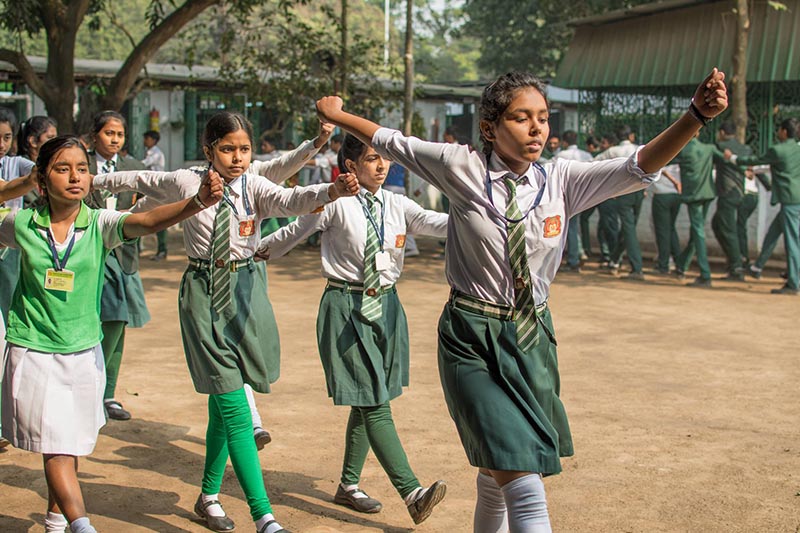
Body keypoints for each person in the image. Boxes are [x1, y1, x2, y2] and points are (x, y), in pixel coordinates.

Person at [316, 68, 728, 532]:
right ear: (490, 127)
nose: (537, 129)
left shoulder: (562, 181)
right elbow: (392, 141)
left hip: (532, 339)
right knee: (524, 484)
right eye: (521, 118)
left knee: (495, 475)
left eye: (544, 118)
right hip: (470, 339)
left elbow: (638, 166)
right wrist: (337, 114)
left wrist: (696, 116)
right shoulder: (460, 166)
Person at [93, 111, 359, 533]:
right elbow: (136, 179)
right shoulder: (186, 181)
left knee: (225, 399)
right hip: (203, 291)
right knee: (235, 406)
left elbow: (292, 200)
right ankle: (264, 516)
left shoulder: (254, 183)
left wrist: (331, 190)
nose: (237, 158)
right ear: (208, 150)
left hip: (247, 292)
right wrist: (85, 184)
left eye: (244, 149)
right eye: (227, 149)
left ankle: (208, 496)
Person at [0, 134, 223, 533]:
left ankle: (55, 521)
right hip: (33, 351)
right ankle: (82, 524)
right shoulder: (20, 225)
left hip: (83, 351)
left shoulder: (99, 223)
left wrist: (197, 203)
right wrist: (19, 185)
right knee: (56, 444)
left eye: (82, 169)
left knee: (71, 440)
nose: (75, 177)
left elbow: (147, 220)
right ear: (42, 179)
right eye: (62, 169)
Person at [257, 134, 448, 524]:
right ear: (351, 166)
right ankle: (411, 491)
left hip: (387, 307)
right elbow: (293, 232)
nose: (382, 166)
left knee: (372, 397)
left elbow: (436, 223)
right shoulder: (336, 204)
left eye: (386, 160)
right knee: (374, 401)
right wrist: (251, 250)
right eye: (374, 159)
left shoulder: (398, 204)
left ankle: (347, 484)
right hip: (346, 306)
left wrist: (477, 216)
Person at [84, 111, 150, 421]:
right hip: (93, 251)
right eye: (109, 133)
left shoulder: (134, 168)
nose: (114, 139)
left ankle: (107, 394)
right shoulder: (81, 165)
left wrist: (134, 211)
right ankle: (92, 392)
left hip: (124, 253)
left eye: (119, 134)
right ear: (95, 135)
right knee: (108, 318)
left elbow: (153, 201)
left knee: (119, 321)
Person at [727, 118, 800, 294]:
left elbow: (758, 160)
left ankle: (793, 283)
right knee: (773, 234)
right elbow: (770, 167)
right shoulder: (797, 148)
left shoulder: (778, 149)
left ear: (783, 131)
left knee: (792, 243)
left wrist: (734, 158)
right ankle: (757, 267)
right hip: (794, 198)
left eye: (779, 129)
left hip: (790, 200)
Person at [595, 125, 645, 280]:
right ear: (630, 136)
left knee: (628, 230)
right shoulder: (639, 149)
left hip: (623, 192)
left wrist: (608, 184)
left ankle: (618, 261)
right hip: (639, 192)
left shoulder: (612, 151)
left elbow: (594, 163)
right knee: (629, 228)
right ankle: (633, 266)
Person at [675, 133, 723, 287]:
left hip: (693, 195)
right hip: (707, 193)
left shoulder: (682, 149)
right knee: (697, 230)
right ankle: (682, 264)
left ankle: (705, 274)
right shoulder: (709, 148)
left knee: (698, 231)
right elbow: (726, 159)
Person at [710, 121, 753, 280]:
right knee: (717, 225)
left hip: (727, 194)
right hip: (740, 193)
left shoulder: (720, 146)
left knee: (728, 231)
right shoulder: (745, 148)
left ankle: (736, 266)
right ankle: (734, 259)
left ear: (721, 133)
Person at [555, 130, 592, 272]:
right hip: (585, 195)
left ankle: (573, 259)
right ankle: (579, 252)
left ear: (564, 142)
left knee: (570, 228)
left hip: (567, 195)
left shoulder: (561, 156)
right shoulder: (586, 155)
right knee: (575, 227)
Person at [650, 164, 683, 274]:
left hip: (662, 195)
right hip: (676, 194)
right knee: (671, 229)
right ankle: (679, 263)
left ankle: (663, 264)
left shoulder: (661, 157)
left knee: (662, 231)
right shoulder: (679, 161)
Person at [142, 130, 169, 261]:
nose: (144, 141)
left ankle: (162, 250)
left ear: (152, 140)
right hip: (149, 189)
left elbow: (143, 164)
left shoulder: (156, 153)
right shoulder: (150, 152)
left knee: (160, 219)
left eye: (146, 138)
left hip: (157, 190)